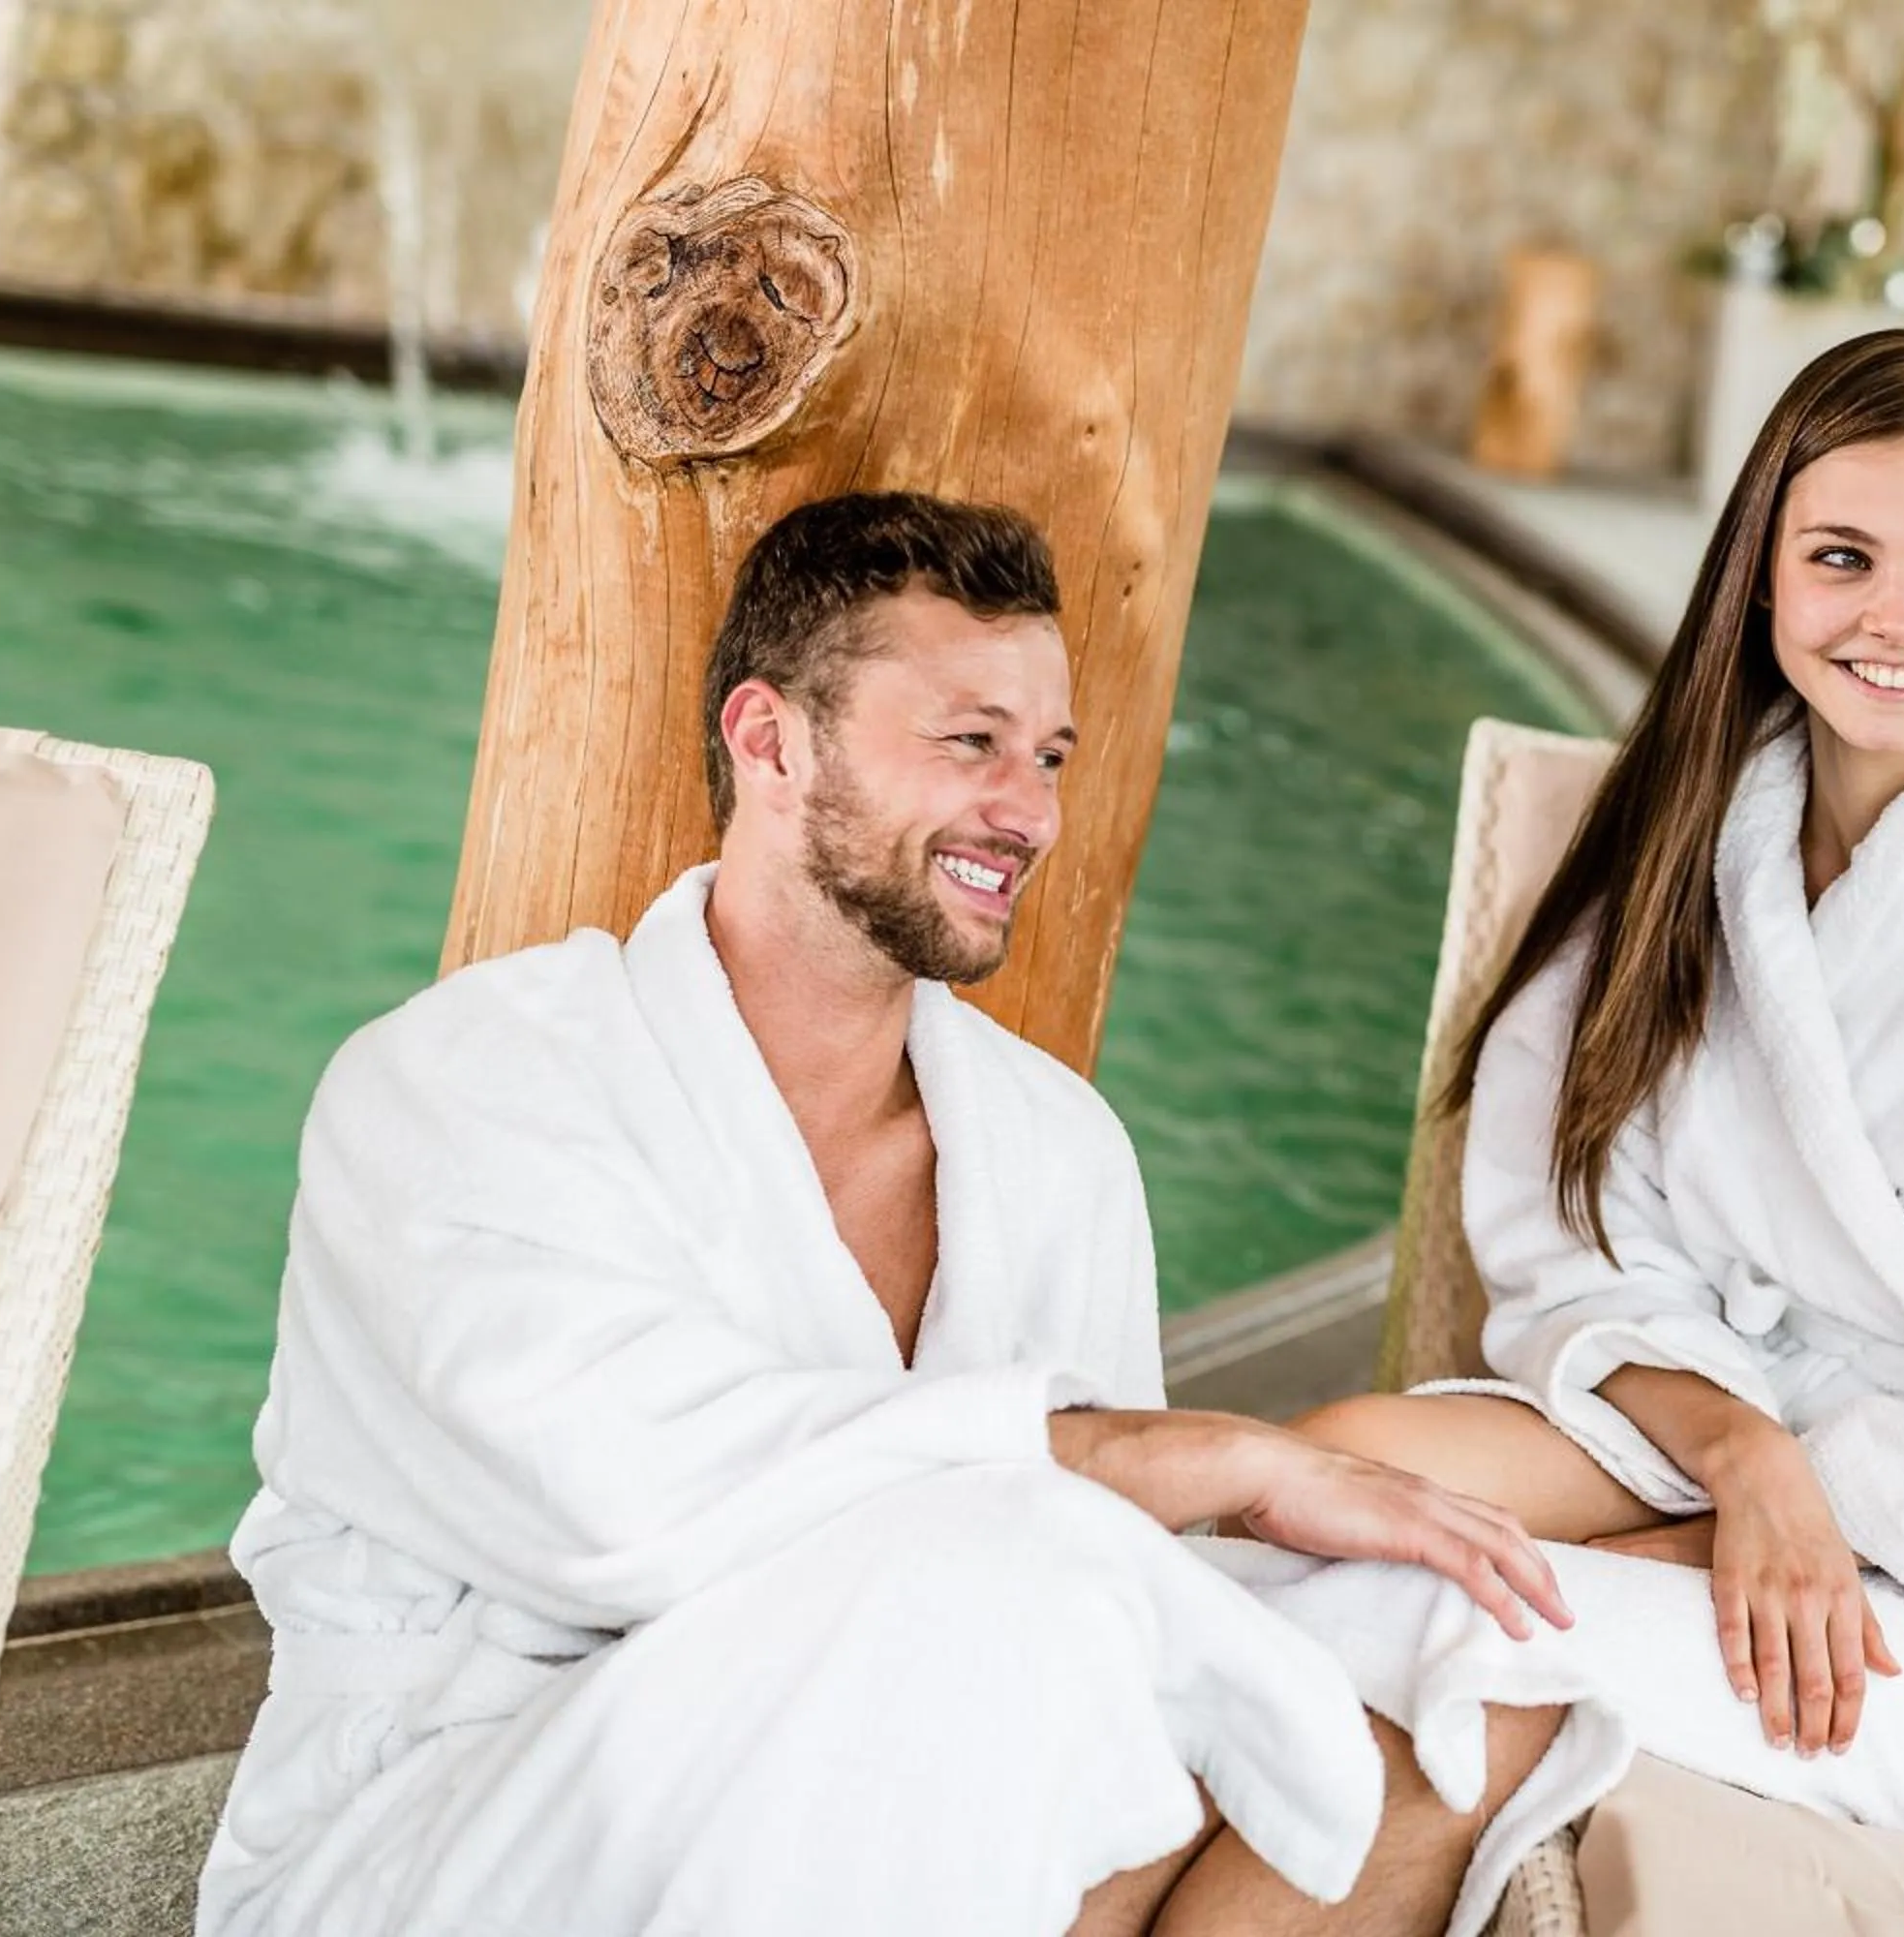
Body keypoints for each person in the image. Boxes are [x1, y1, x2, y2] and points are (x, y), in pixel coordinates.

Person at [198, 492, 1577, 1937]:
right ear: (770, 740)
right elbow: (627, 1505)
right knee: (1003, 1572)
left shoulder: (1056, 1152)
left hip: (933, 1797)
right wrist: (1194, 1457)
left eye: (1047, 757)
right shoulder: (465, 1080)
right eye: (968, 742)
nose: (1029, 812)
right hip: (459, 1825)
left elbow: (1120, 1606)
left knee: (1459, 1646)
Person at [1255, 328, 1904, 1877]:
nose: (1895, 619)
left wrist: (1751, 1527)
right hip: (1730, 1415)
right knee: (1312, 1491)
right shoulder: (1702, 829)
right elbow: (1575, 1234)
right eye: (1843, 556)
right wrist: (1746, 1464)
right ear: (1762, 573)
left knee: (1416, 1632)